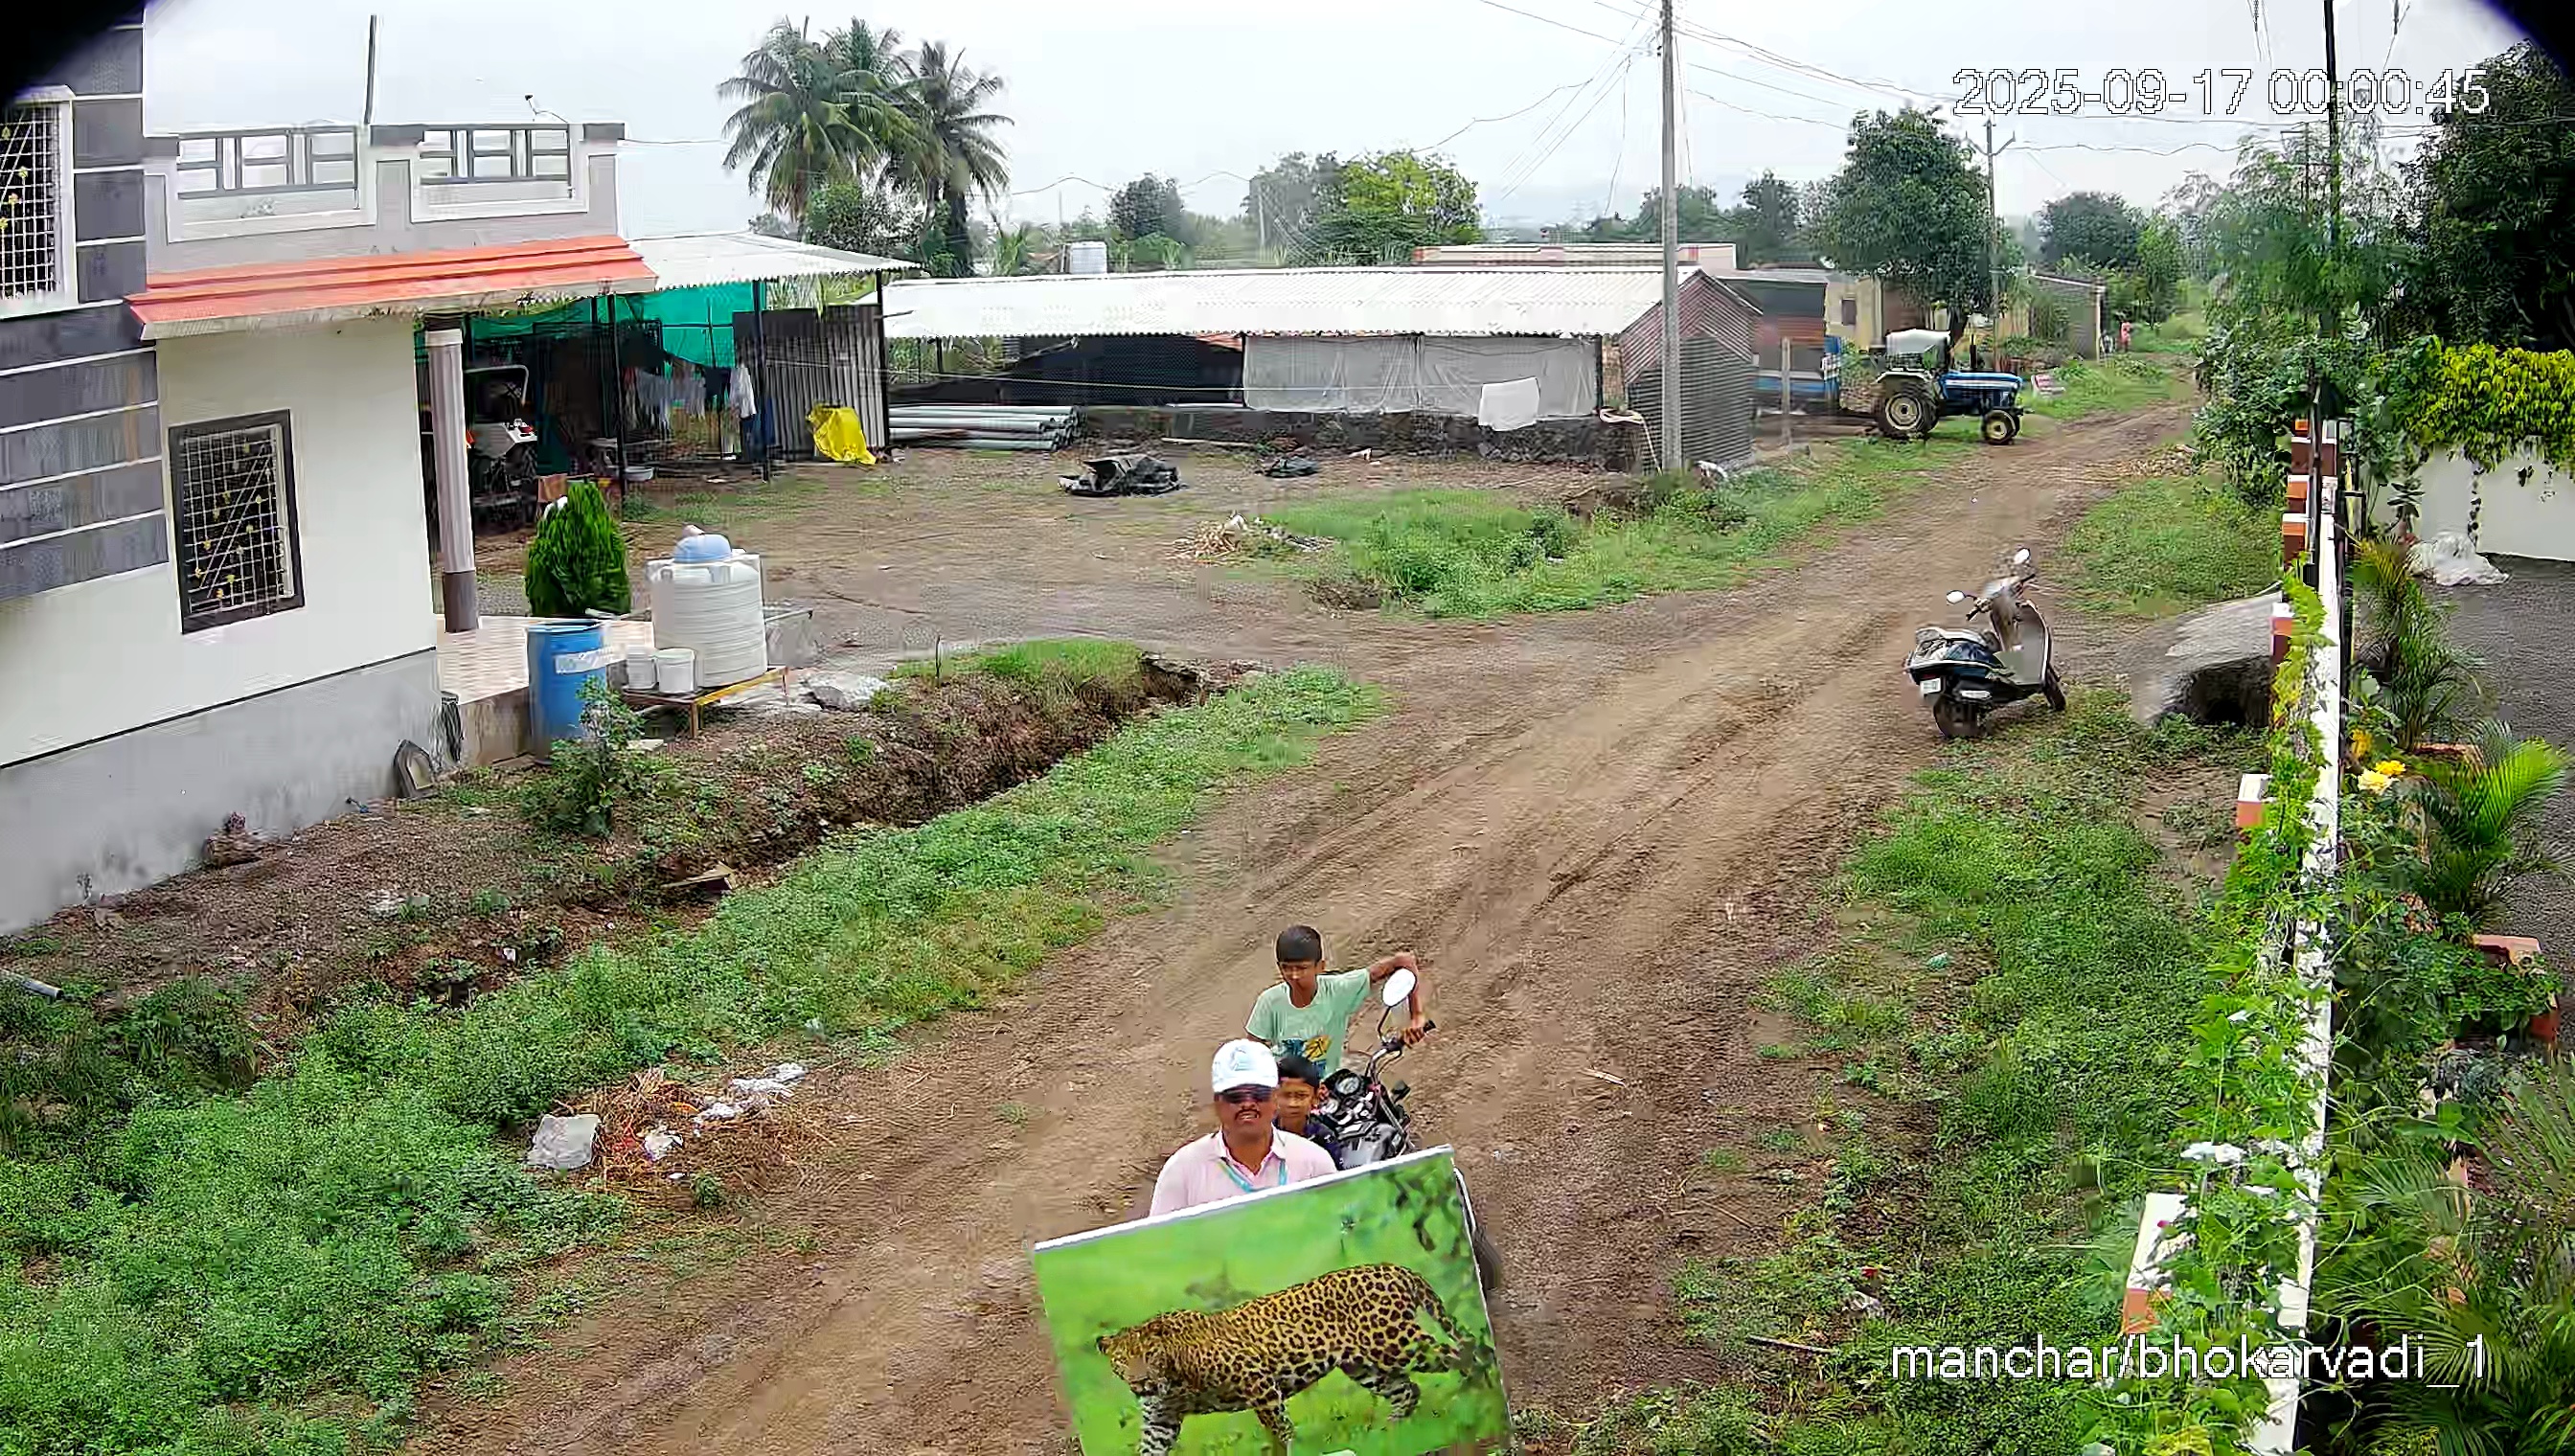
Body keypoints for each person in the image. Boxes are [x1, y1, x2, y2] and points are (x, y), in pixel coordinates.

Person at [1150, 1039, 1339, 1216]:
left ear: (1275, 1098)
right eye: (1235, 1096)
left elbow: (1337, 1230)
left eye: (1258, 1094)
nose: (1248, 1104)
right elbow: (1160, 1239)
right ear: (1217, 1103)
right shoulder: (1182, 1172)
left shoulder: (1314, 1163)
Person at [1246, 924, 1427, 1073]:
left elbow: (1404, 961)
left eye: (1302, 968)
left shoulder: (1339, 989)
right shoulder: (1269, 1002)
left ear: (1320, 967)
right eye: (1286, 968)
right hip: (1287, 1092)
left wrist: (1417, 1016)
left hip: (1331, 1086)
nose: (1294, 976)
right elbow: (1251, 1052)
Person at [1271, 1051, 1341, 1165]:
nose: (1293, 1103)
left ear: (1315, 1097)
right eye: (1286, 1095)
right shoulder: (1264, 1134)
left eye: (1301, 1096)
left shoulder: (1323, 1138)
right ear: (1273, 1096)